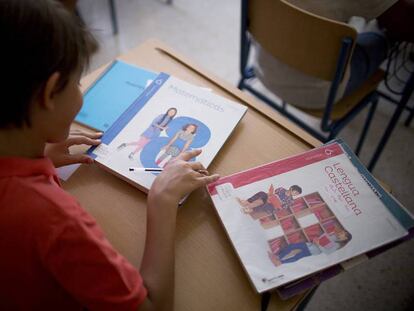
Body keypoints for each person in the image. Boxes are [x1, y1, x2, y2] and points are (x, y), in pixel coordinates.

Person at [0, 1, 219, 310]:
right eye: (77, 83)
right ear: (49, 93)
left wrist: (37, 155)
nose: (80, 91)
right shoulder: (55, 220)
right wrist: (162, 202)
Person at [253, 0, 414, 109]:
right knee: (382, 35)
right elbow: (398, 20)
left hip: (262, 66)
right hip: (318, 94)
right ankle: (381, 38)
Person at [268, 228, 352, 266]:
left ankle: (280, 262)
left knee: (297, 256)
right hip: (310, 244)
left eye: (342, 234)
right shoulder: (333, 235)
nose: (340, 234)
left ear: (345, 238)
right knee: (291, 246)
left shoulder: (337, 245)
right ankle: (278, 257)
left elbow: (327, 252)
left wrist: (318, 244)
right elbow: (323, 236)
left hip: (313, 251)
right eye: (341, 232)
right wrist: (317, 239)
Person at [237, 184, 302, 215]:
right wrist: (269, 195)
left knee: (266, 204)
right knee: (262, 194)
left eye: (297, 194)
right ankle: (246, 202)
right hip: (269, 198)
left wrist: (277, 204)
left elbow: (283, 208)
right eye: (295, 192)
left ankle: (250, 209)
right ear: (291, 188)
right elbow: (272, 193)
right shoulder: (281, 189)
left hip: (273, 207)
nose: (295, 194)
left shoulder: (291, 200)